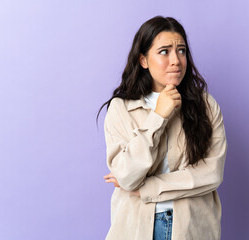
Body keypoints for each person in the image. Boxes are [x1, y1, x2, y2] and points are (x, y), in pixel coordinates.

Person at [96, 15, 228, 240]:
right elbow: (127, 176)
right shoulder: (121, 108)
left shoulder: (206, 105)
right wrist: (159, 115)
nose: (176, 60)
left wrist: (147, 188)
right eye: (164, 51)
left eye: (182, 51)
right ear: (143, 60)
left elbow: (211, 173)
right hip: (135, 229)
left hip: (192, 229)